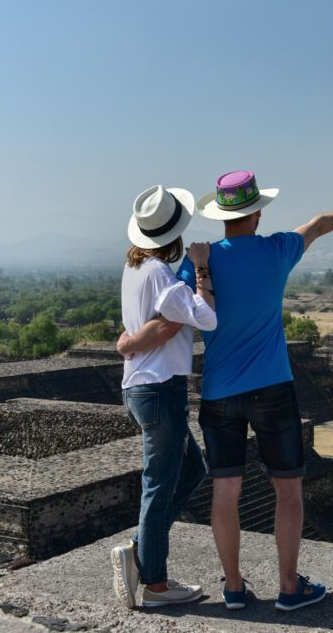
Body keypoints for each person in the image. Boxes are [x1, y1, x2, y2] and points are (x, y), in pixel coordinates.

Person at [118, 169, 333, 612]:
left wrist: (130, 342)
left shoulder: (198, 262)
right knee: (287, 491)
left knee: (224, 492)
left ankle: (233, 587)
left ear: (220, 213)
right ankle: (290, 588)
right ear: (257, 211)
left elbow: (168, 315)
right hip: (272, 387)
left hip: (219, 393)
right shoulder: (278, 249)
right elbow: (316, 224)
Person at [110, 185, 218, 609]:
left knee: (192, 470)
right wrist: (203, 269)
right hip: (160, 389)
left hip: (141, 387)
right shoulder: (160, 275)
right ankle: (154, 583)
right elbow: (205, 319)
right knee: (157, 485)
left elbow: (157, 328)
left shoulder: (133, 270)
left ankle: (141, 548)